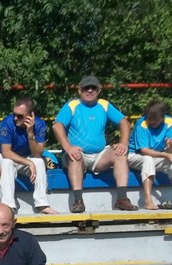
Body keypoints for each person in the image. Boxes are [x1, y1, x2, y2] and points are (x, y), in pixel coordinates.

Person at [52, 75, 138, 213]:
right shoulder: (71, 106)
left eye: (93, 88)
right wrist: (68, 147)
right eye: (86, 88)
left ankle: (122, 199)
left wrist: (123, 143)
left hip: (99, 156)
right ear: (79, 90)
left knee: (121, 154)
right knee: (74, 156)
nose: (90, 90)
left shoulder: (104, 105)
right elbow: (57, 126)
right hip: (78, 155)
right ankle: (78, 201)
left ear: (99, 90)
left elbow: (124, 122)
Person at [0, 97, 58, 215]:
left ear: (31, 115)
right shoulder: (7, 122)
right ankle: (8, 206)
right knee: (7, 162)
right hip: (2, 156)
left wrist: (30, 133)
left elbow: (37, 153)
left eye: (20, 116)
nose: (15, 118)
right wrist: (28, 163)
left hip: (24, 157)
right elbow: (6, 153)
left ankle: (42, 205)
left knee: (39, 161)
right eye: (14, 114)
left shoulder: (39, 124)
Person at [128, 99, 172, 210]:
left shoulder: (169, 122)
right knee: (148, 159)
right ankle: (148, 201)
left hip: (156, 155)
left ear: (163, 117)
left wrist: (170, 148)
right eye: (150, 118)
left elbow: (169, 152)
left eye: (155, 119)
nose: (152, 122)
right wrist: (166, 155)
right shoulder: (141, 124)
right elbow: (144, 151)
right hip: (134, 155)